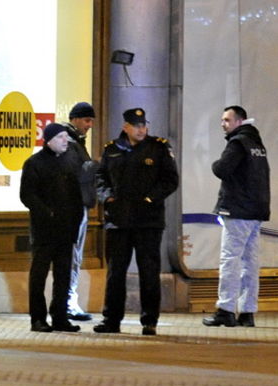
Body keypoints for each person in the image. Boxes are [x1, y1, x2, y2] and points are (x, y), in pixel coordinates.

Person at [93, 108, 179, 336]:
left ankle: (149, 321)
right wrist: (106, 197)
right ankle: (111, 320)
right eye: (136, 125)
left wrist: (151, 198)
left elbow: (171, 180)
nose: (141, 129)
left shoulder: (158, 147)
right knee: (115, 273)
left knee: (149, 272)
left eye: (144, 124)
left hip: (148, 222)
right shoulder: (111, 149)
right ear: (125, 127)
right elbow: (100, 178)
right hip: (118, 221)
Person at [203, 106, 269, 328]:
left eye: (227, 120)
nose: (223, 123)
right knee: (250, 263)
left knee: (230, 260)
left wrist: (213, 164)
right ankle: (247, 312)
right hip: (256, 211)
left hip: (238, 211)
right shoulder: (257, 144)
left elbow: (222, 168)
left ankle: (225, 310)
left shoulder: (238, 143)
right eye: (222, 119)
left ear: (239, 121)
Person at [20, 123, 84, 333]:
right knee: (39, 275)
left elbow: (76, 195)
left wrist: (76, 220)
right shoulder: (34, 163)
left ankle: (60, 317)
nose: (66, 141)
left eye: (66, 137)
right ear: (49, 140)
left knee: (63, 275)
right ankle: (37, 318)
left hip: (66, 230)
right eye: (61, 137)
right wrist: (47, 213)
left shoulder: (70, 162)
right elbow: (27, 195)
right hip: (44, 231)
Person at [60, 102, 98, 321]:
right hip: (72, 208)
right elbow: (77, 173)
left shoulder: (76, 142)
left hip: (79, 206)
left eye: (91, 120)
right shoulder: (69, 142)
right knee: (72, 255)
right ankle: (68, 303)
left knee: (74, 255)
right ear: (75, 119)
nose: (90, 125)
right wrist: (96, 165)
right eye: (86, 120)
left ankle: (68, 302)